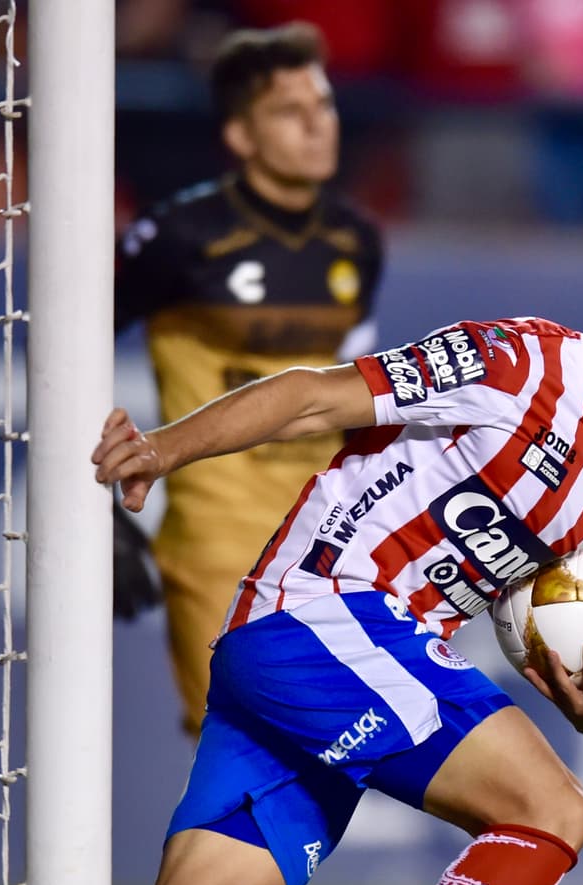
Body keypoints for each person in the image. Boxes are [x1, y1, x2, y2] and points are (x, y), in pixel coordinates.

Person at [95, 206, 583, 885]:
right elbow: (312, 397)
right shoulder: (515, 363)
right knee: (552, 810)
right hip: (322, 619)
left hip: (336, 659)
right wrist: (163, 451)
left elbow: (508, 596)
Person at [114, 21, 384, 737]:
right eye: (291, 112)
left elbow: (357, 392)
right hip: (215, 540)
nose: (318, 126)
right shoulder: (177, 239)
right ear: (240, 135)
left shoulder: (356, 241)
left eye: (323, 106)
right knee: (242, 744)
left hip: (325, 539)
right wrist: (94, 505)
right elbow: (61, 355)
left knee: (319, 756)